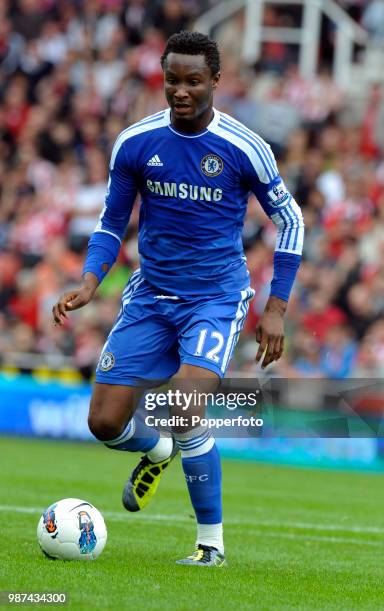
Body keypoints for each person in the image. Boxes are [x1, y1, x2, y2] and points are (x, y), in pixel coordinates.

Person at [52, 31, 304, 566]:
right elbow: (111, 221)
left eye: (193, 81)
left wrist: (276, 308)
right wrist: (90, 280)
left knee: (185, 404)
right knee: (103, 423)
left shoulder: (245, 147)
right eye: (172, 80)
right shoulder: (136, 142)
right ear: (161, 79)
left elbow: (291, 220)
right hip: (150, 296)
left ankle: (209, 545)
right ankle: (157, 450)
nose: (181, 91)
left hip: (215, 297)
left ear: (215, 81)